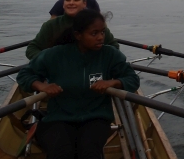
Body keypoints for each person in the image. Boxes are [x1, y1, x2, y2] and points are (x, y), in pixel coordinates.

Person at [17, 10, 139, 159]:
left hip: (96, 117)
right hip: (59, 117)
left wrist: (112, 82)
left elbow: (133, 79)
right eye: (94, 34)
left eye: (102, 32)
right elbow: (24, 75)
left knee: (89, 153)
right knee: (61, 153)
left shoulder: (110, 54)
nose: (101, 37)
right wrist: (42, 86)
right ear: (78, 35)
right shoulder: (55, 54)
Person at [27, 0, 118, 60]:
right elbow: (32, 49)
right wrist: (48, 60)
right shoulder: (51, 25)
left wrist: (95, 60)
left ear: (84, 4)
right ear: (63, 4)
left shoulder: (95, 23)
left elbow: (114, 46)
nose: (71, 3)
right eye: (68, 0)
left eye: (76, 0)